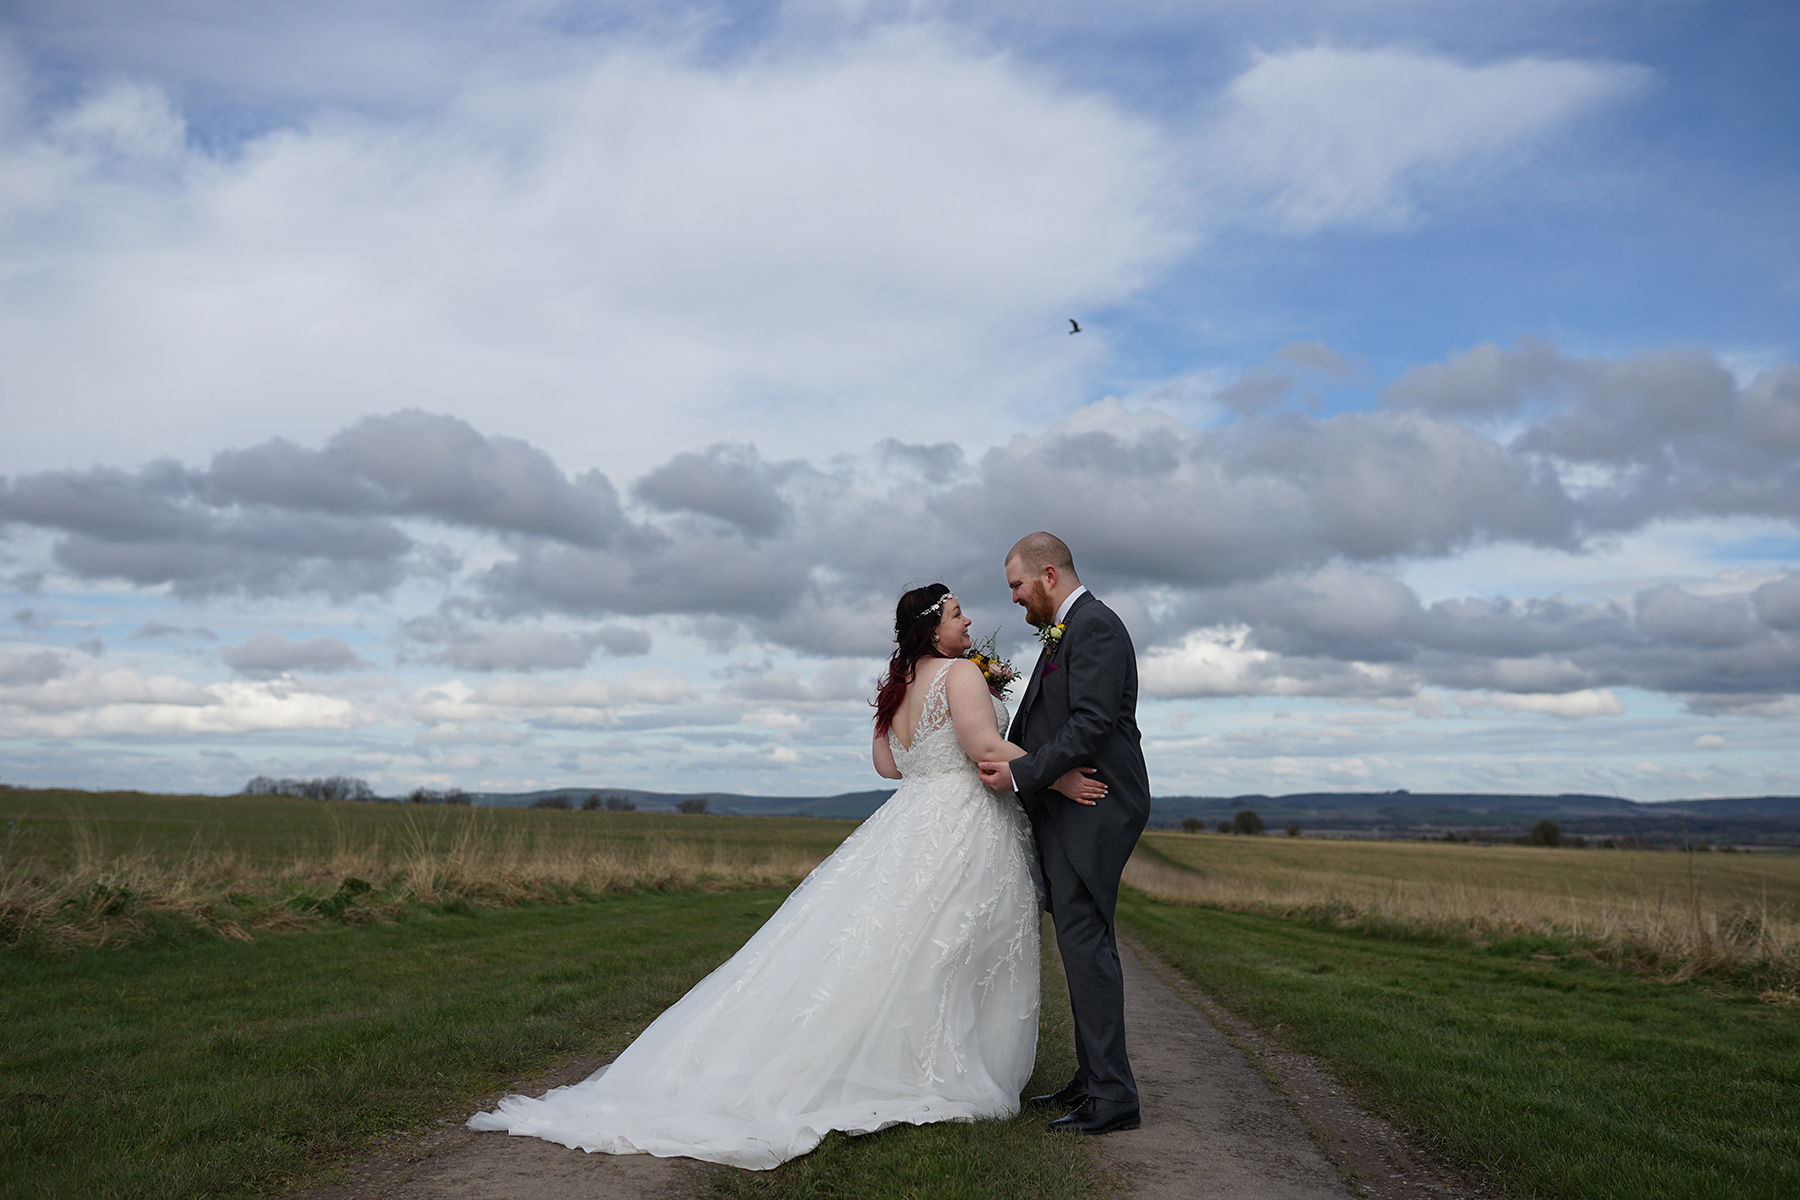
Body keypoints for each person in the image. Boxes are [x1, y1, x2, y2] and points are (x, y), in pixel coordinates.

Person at [467, 582, 1105, 1169]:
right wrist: (1060, 773)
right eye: (960, 612)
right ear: (935, 627)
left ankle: (894, 1054)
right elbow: (986, 749)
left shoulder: (899, 684)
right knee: (952, 946)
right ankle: (931, 1067)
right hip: (960, 821)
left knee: (900, 945)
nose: (970, 621)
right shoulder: (961, 673)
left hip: (910, 815)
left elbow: (888, 766)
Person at [978, 532, 1151, 1136]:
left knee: (1086, 948)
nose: (1016, 599)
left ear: (1048, 575)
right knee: (1082, 948)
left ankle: (1113, 1099)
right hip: (1074, 806)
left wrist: (1023, 774)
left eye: (1018, 586)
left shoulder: (1094, 626)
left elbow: (1093, 723)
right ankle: (1092, 1080)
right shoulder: (1069, 628)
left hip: (1097, 807)